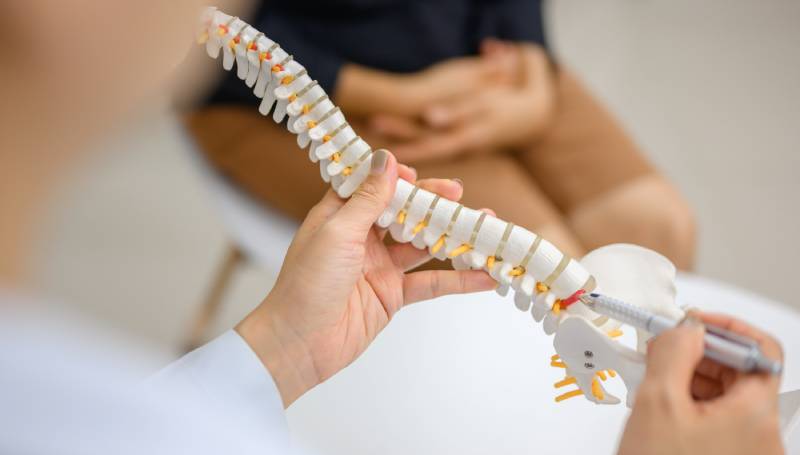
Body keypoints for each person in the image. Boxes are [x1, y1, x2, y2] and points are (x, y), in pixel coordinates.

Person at [0, 1, 784, 455]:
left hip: (476, 55)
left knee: (653, 224)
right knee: (533, 236)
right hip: (349, 83)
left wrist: (277, 348)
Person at [187, 0, 696, 268]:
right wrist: (393, 96)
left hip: (469, 43)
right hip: (275, 82)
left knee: (656, 232)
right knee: (536, 263)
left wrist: (532, 66)